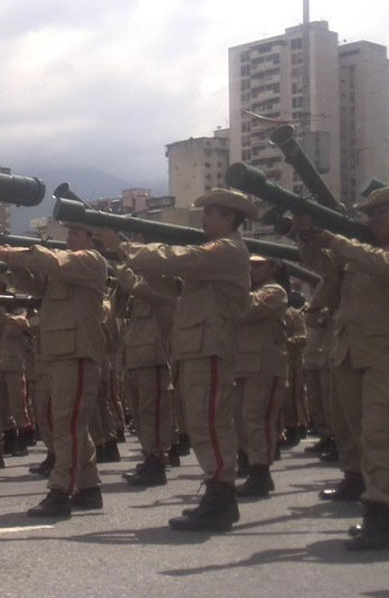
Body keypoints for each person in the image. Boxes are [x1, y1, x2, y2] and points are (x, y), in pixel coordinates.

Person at [95, 189, 252, 531]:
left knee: (210, 422)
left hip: (210, 347)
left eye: (212, 212)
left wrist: (122, 245)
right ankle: (217, 492)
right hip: (197, 347)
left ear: (230, 218)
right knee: (200, 422)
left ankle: (221, 497)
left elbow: (176, 259)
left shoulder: (226, 249)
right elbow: (169, 287)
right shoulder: (215, 255)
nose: (205, 218)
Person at [0, 225, 109, 518]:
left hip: (77, 354)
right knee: (70, 424)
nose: (70, 238)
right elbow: (35, 284)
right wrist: (9, 264)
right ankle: (89, 488)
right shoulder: (66, 271)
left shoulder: (90, 262)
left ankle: (61, 491)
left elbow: (50, 261)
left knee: (68, 424)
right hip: (61, 353)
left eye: (77, 233)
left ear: (92, 238)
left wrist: (7, 251)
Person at [295, 187, 389, 549]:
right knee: (354, 428)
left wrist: (336, 238)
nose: (373, 219)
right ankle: (363, 484)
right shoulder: (358, 255)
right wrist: (308, 236)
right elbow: (323, 270)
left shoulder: (370, 256)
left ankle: (381, 512)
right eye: (371, 214)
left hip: (382, 354)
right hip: (351, 351)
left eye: (381, 212)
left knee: (381, 432)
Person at [115, 263, 178, 487]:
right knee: (141, 414)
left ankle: (157, 460)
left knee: (153, 413)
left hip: (154, 359)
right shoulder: (138, 295)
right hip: (135, 359)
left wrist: (122, 264)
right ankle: (149, 455)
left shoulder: (162, 291)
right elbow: (118, 310)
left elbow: (135, 285)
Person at [233, 255, 289, 498]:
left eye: (259, 265)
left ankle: (261, 471)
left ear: (274, 267)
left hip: (265, 365)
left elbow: (247, 310)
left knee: (257, 419)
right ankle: (252, 464)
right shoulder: (251, 290)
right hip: (244, 364)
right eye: (250, 264)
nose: (252, 269)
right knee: (243, 419)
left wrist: (236, 283)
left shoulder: (275, 291)